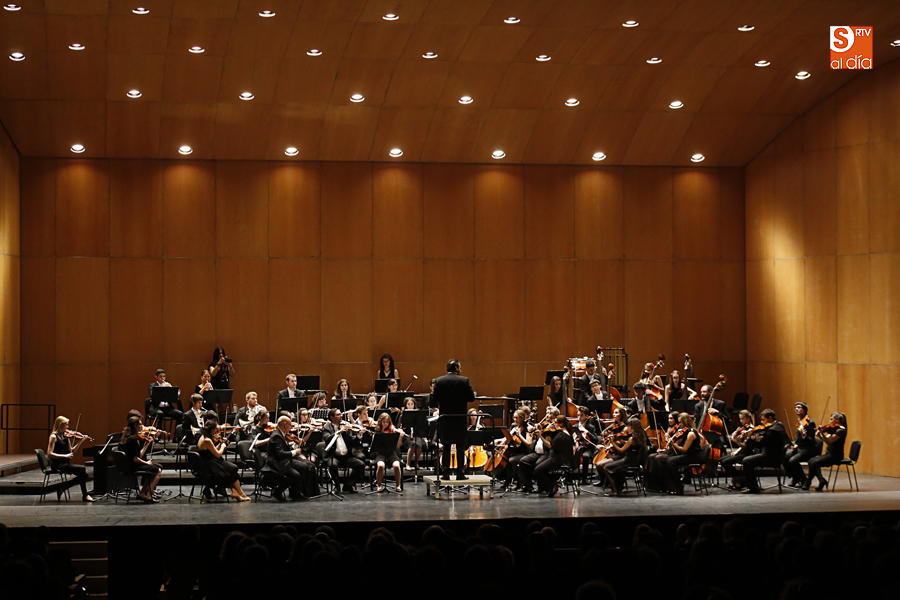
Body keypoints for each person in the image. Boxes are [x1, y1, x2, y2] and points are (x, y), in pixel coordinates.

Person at [433, 359, 476, 480]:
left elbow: (435, 398)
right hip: (459, 418)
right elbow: (471, 398)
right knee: (460, 446)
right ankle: (460, 473)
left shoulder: (439, 381)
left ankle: (445, 473)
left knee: (446, 445)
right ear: (456, 368)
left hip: (445, 418)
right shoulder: (464, 380)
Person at [736, 409, 788, 494]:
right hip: (776, 456)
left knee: (747, 461)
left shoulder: (771, 431)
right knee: (749, 459)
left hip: (771, 457)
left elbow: (761, 444)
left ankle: (753, 488)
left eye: (763, 420)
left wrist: (749, 439)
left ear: (770, 418)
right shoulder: (779, 425)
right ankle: (752, 485)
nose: (761, 423)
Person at [196, 422, 251, 501]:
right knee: (232, 469)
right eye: (215, 430)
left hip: (210, 462)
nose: (216, 432)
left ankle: (236, 492)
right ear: (212, 429)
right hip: (210, 465)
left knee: (232, 468)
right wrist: (223, 446)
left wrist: (220, 444)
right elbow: (218, 454)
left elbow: (212, 450)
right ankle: (239, 492)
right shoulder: (207, 440)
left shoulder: (203, 437)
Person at [523, 415, 574, 498]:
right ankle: (549, 487)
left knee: (538, 470)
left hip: (559, 459)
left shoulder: (561, 435)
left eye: (555, 422)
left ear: (561, 424)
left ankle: (552, 486)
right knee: (539, 467)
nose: (553, 424)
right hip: (557, 457)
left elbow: (550, 445)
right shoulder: (563, 432)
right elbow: (554, 443)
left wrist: (540, 436)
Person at [46, 416, 95, 502]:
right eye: (66, 425)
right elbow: (49, 454)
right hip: (57, 464)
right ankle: (85, 495)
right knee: (82, 470)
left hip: (66, 463)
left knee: (84, 475)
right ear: (60, 424)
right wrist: (65, 456)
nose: (68, 427)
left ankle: (62, 487)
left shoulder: (66, 437)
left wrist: (81, 441)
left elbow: (71, 451)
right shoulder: (53, 437)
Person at [266, 416, 314, 501]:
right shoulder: (276, 436)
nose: (291, 427)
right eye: (290, 425)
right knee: (295, 474)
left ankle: (296, 493)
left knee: (303, 466)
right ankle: (277, 491)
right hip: (277, 462)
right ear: (284, 424)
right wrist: (295, 452)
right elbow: (280, 454)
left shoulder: (281, 434)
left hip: (283, 460)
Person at [517, 406, 561, 492]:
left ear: (555, 416)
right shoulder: (544, 425)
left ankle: (543, 487)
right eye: (546, 413)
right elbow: (534, 437)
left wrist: (541, 432)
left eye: (549, 413)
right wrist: (532, 431)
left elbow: (550, 443)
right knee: (523, 461)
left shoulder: (555, 428)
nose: (547, 415)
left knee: (538, 464)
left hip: (547, 453)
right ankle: (528, 486)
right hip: (537, 452)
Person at [321, 408, 365, 494]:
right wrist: (338, 432)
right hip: (333, 456)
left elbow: (352, 442)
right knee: (332, 465)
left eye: (341, 414)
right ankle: (337, 486)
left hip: (346, 456)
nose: (341, 416)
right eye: (338, 414)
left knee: (361, 465)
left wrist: (359, 435)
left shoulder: (346, 427)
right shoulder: (327, 428)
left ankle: (348, 485)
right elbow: (326, 439)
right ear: (332, 417)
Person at [601, 417, 648, 496]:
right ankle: (618, 487)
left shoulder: (631, 438)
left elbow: (621, 450)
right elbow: (631, 446)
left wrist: (612, 442)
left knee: (607, 467)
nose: (627, 427)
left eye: (629, 426)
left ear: (632, 426)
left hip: (628, 461)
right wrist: (623, 441)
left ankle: (614, 489)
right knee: (614, 467)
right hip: (635, 461)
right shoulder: (640, 437)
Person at [119, 416, 162, 503]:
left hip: (132, 463)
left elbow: (139, 454)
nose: (142, 426)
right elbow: (135, 459)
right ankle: (149, 495)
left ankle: (142, 493)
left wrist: (147, 444)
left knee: (156, 466)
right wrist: (147, 463)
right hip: (132, 466)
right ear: (135, 426)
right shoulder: (132, 439)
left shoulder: (133, 437)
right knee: (158, 470)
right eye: (140, 424)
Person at [660, 413, 703, 495]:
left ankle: (678, 488)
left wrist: (673, 444)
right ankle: (670, 487)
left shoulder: (691, 433)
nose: (679, 424)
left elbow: (684, 449)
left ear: (685, 422)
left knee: (671, 462)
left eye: (680, 422)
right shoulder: (686, 431)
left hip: (694, 456)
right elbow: (702, 439)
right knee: (668, 460)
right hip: (689, 455)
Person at [803, 412, 847, 492]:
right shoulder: (834, 430)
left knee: (814, 463)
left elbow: (829, 441)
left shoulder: (841, 430)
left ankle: (808, 482)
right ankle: (822, 480)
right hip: (829, 454)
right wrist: (819, 434)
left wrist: (822, 434)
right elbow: (825, 439)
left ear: (837, 420)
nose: (830, 421)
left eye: (831, 419)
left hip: (835, 455)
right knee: (811, 461)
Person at [784, 402, 818, 487]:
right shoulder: (800, 421)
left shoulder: (810, 422)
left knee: (793, 461)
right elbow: (797, 437)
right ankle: (795, 477)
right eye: (795, 407)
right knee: (784, 456)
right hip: (800, 448)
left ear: (805, 410)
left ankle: (803, 479)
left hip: (808, 449)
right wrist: (795, 444)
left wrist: (804, 435)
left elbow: (811, 440)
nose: (796, 409)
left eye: (799, 407)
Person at [721, 409, 756, 490]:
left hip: (748, 453)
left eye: (742, 418)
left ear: (748, 418)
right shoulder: (741, 428)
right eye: (740, 419)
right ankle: (737, 478)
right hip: (742, 452)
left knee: (726, 462)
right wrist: (736, 451)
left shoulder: (751, 430)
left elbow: (745, 446)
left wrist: (736, 440)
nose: (741, 421)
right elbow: (741, 446)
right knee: (722, 460)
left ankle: (738, 478)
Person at [373, 412, 405, 492]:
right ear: (380, 422)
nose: (385, 424)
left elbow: (397, 446)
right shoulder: (377, 433)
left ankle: (398, 485)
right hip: (380, 453)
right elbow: (374, 445)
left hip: (391, 453)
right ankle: (379, 485)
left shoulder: (392, 432)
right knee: (380, 466)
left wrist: (400, 437)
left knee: (397, 466)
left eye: (387, 422)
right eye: (383, 422)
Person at [502, 409, 533, 490]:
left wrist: (519, 435)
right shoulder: (516, 427)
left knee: (512, 460)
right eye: (514, 418)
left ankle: (520, 482)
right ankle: (507, 482)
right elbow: (509, 438)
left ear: (522, 418)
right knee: (507, 459)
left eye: (517, 418)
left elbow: (528, 444)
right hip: (516, 451)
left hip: (525, 452)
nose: (515, 420)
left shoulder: (528, 428)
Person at [573, 406, 600, 482]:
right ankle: (570, 477)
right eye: (578, 415)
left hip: (588, 448)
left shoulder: (590, 427)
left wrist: (586, 431)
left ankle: (584, 478)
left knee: (585, 456)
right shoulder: (575, 426)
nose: (579, 417)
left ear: (586, 416)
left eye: (581, 415)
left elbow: (595, 440)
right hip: (577, 447)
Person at [401, 396, 424, 470]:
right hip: (406, 435)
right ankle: (408, 464)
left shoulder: (418, 414)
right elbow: (399, 426)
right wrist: (403, 428)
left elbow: (422, 425)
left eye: (412, 404)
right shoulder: (403, 414)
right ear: (406, 405)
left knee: (419, 445)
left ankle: (416, 462)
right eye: (408, 404)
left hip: (416, 434)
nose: (410, 406)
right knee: (413, 445)